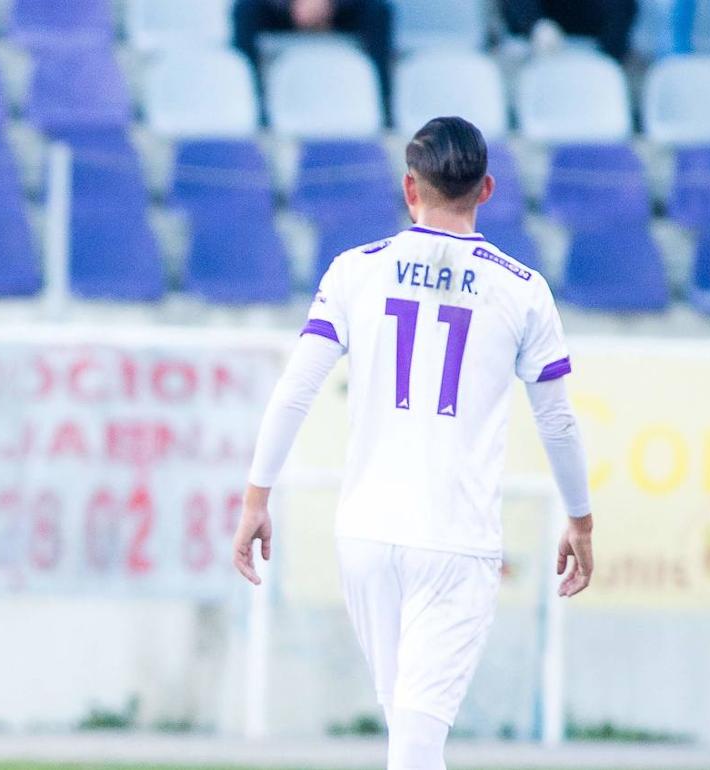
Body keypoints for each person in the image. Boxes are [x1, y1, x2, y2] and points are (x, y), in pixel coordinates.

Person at [232, 117, 595, 770]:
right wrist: (581, 519)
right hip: (454, 538)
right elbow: (559, 423)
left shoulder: (356, 271)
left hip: (366, 536)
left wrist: (256, 497)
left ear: (410, 188)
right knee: (417, 744)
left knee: (410, 737)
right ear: (486, 189)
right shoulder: (521, 289)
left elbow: (294, 390)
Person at [232, 0, 394, 121]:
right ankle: (251, 104)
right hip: (284, 8)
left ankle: (384, 107)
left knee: (378, 11)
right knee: (244, 10)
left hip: (337, 7)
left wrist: (328, 4)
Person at [501, 0, 639, 62]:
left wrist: (608, 55)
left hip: (597, 49)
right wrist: (535, 24)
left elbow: (622, 10)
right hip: (535, 44)